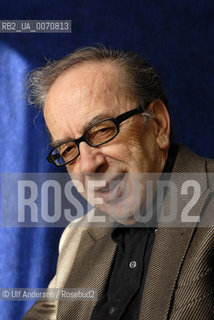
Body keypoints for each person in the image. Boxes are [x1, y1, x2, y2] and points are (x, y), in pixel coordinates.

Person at [23, 46, 214, 319]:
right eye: (67, 149)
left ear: (158, 125)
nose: (88, 166)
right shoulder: (78, 236)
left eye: (101, 130)